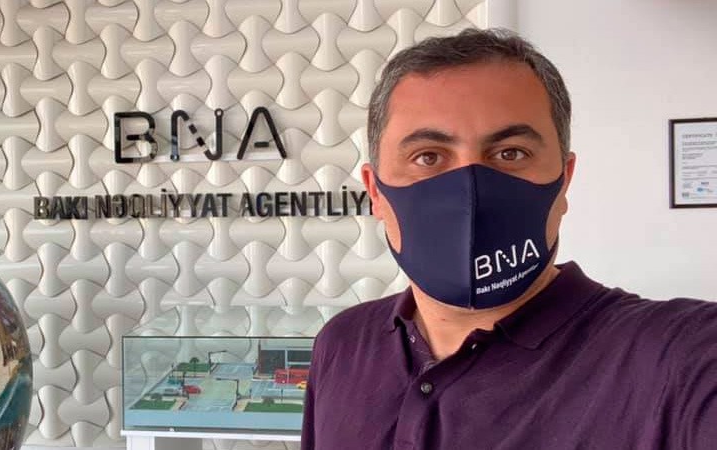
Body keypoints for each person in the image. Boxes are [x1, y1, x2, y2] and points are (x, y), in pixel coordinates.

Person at [300, 28, 717, 449]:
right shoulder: (341, 344)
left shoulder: (682, 358)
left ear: (564, 180)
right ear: (375, 192)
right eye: (428, 156)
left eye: (510, 153)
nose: (470, 189)